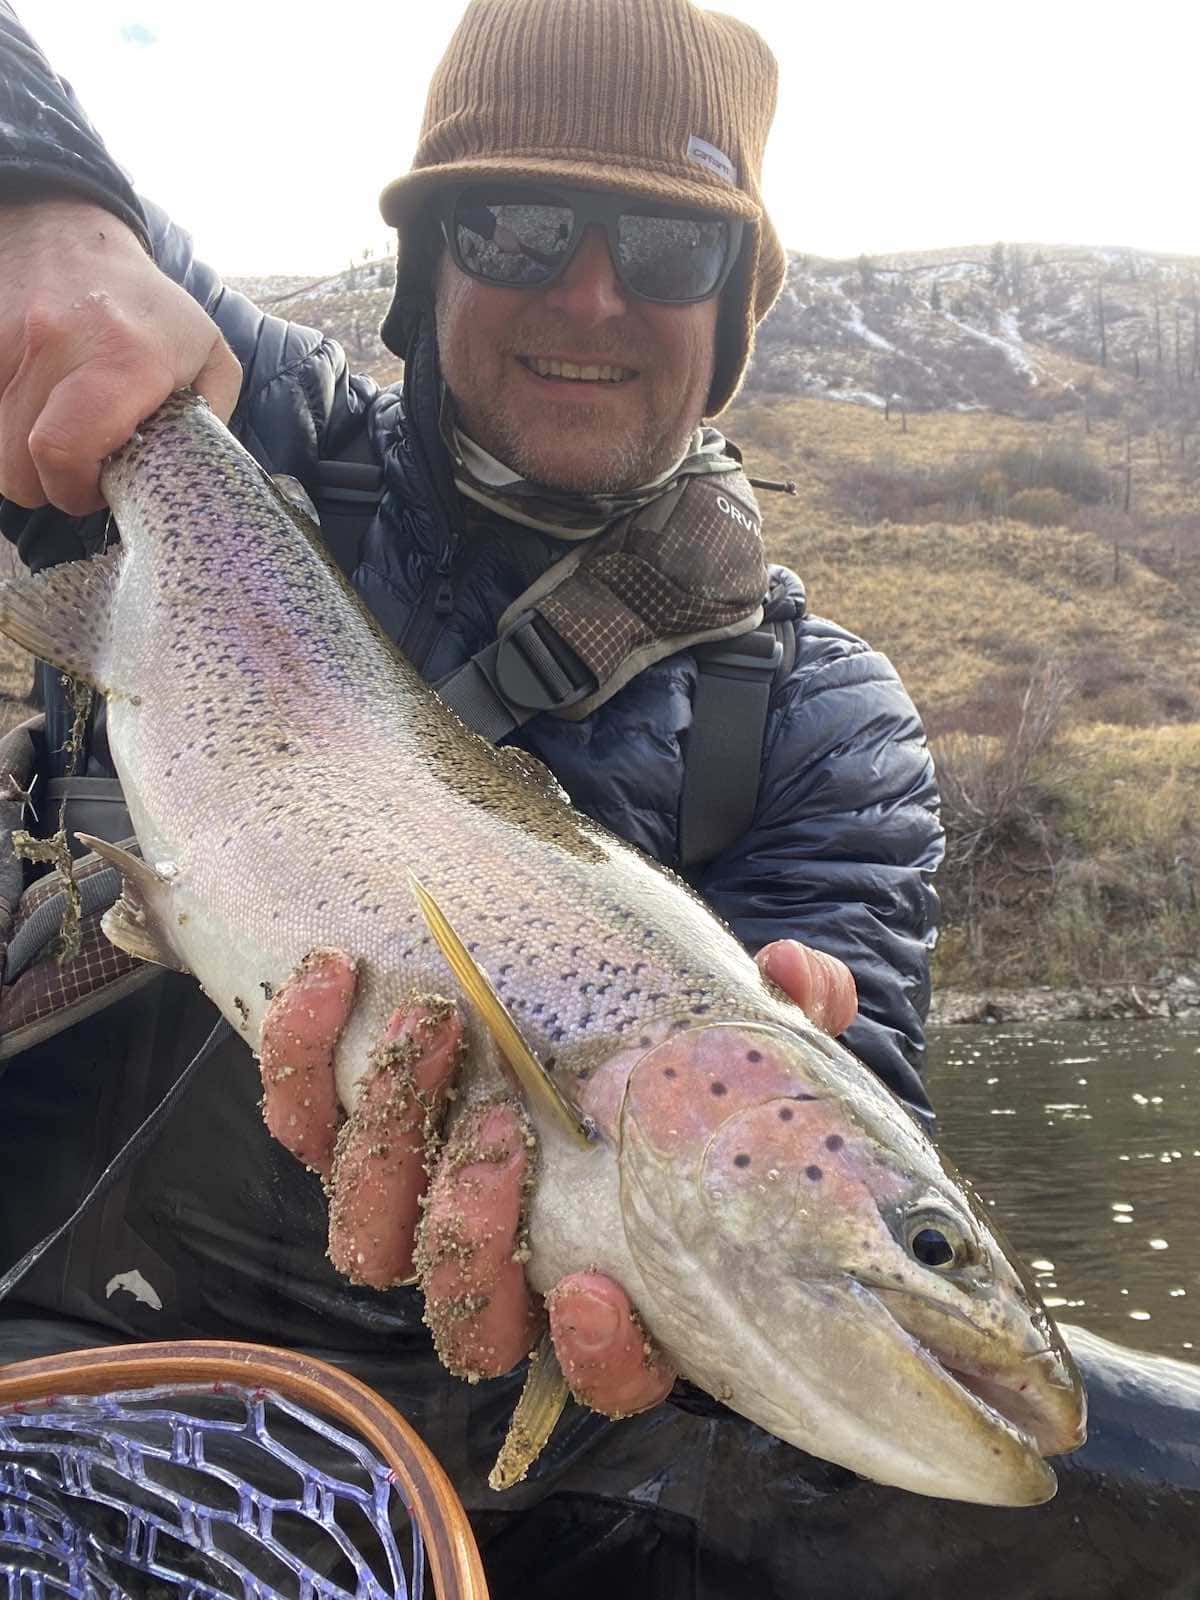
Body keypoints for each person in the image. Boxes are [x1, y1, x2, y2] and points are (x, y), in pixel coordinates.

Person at [0, 0, 943, 1591]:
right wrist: (46, 213)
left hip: (491, 1460)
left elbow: (858, 1150)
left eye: (668, 251)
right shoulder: (236, 425)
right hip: (39, 1326)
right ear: (427, 261)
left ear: (736, 313)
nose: (590, 292)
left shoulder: (823, 721)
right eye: (515, 224)